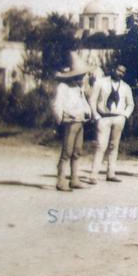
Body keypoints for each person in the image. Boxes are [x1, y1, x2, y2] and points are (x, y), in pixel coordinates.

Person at [51, 58, 93, 191]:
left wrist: (88, 112)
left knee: (77, 151)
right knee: (67, 152)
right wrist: (61, 119)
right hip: (70, 122)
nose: (82, 79)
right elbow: (57, 104)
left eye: (82, 76)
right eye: (79, 76)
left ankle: (74, 178)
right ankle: (60, 180)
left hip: (80, 122)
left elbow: (84, 103)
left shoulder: (78, 89)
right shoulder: (63, 87)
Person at [88, 64, 134, 184]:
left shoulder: (126, 87)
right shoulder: (100, 83)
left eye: (123, 72)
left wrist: (124, 116)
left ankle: (111, 173)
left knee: (114, 146)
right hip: (103, 118)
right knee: (100, 146)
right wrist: (96, 116)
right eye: (118, 70)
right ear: (113, 69)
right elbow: (92, 100)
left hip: (118, 118)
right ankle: (93, 175)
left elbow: (131, 104)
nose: (120, 73)